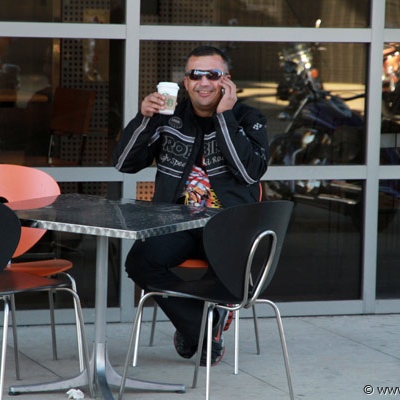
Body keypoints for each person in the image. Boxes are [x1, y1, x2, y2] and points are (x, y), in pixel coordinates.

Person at [112, 45, 269, 366]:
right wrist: (144, 119)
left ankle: (204, 320)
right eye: (196, 75)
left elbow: (248, 172)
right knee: (140, 262)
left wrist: (224, 116)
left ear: (226, 80)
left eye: (213, 74)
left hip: (228, 227)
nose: (204, 82)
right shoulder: (168, 116)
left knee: (228, 273)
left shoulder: (249, 118)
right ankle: (202, 325)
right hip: (177, 224)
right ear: (185, 82)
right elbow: (124, 164)